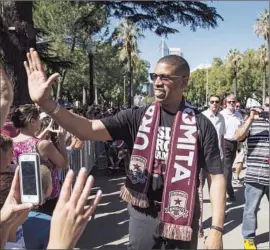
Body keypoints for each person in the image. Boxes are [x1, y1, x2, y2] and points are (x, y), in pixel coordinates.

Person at [24, 49, 226, 249]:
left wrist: (216, 229)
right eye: (154, 76)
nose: (156, 82)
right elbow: (88, 128)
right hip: (142, 212)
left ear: (184, 82)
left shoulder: (201, 124)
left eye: (165, 77)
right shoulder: (136, 117)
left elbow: (216, 177)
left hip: (181, 216)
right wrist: (47, 103)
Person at [234, 97, 269, 250]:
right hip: (255, 174)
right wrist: (250, 118)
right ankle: (249, 238)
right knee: (250, 209)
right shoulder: (253, 122)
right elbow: (238, 136)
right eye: (267, 105)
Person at [220, 94, 243, 201]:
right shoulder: (222, 114)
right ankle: (226, 192)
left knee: (228, 168)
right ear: (225, 103)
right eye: (229, 102)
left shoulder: (238, 115)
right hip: (224, 142)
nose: (232, 104)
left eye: (233, 102)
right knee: (227, 168)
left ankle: (228, 189)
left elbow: (242, 128)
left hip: (235, 143)